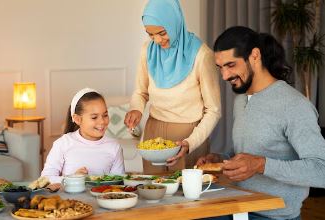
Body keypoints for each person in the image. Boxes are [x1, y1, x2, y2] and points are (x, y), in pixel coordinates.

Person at [197, 26, 325, 220]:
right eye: (220, 68)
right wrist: (221, 159)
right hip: (238, 207)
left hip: (273, 215)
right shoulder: (241, 99)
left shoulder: (295, 106)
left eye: (231, 65)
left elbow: (321, 170)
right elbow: (251, 150)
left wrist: (261, 165)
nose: (224, 76)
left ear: (255, 56)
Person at [124, 0, 221, 174]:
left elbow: (213, 110)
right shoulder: (148, 50)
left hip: (188, 135)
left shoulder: (202, 55)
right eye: (150, 34)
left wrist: (190, 142)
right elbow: (140, 91)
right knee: (152, 193)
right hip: (154, 131)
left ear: (174, 22)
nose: (157, 40)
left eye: (161, 32)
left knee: (186, 196)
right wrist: (136, 109)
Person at [41, 88, 125, 184]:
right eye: (94, 117)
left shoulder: (114, 147)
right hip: (70, 198)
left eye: (105, 115)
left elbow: (119, 182)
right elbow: (45, 179)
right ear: (77, 119)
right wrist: (72, 179)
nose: (102, 121)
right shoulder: (63, 143)